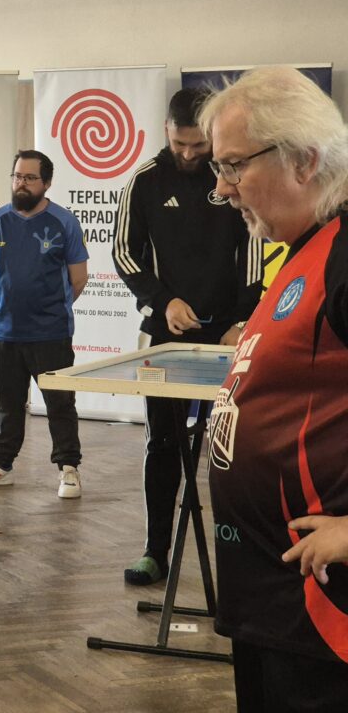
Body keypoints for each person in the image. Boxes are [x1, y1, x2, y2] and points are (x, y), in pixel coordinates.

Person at [198, 66, 348, 711]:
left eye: (234, 166)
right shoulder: (303, 248)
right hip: (270, 596)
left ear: (305, 160)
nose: (222, 188)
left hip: (323, 613)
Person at [111, 89, 263, 585]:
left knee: (235, 446)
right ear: (167, 131)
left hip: (229, 334)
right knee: (163, 441)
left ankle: (244, 559)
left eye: (200, 145)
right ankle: (155, 550)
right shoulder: (145, 181)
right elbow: (124, 253)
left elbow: (254, 249)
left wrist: (242, 320)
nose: (190, 153)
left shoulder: (232, 176)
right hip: (167, 335)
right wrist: (164, 302)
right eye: (181, 144)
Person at [0, 150, 89, 498]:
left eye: (30, 178)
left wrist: (48, 310)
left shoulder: (64, 222)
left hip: (51, 334)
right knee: (7, 403)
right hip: (5, 333)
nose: (22, 183)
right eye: (17, 176)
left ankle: (69, 469)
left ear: (47, 183)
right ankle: (1, 465)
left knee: (60, 404)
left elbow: (78, 279)